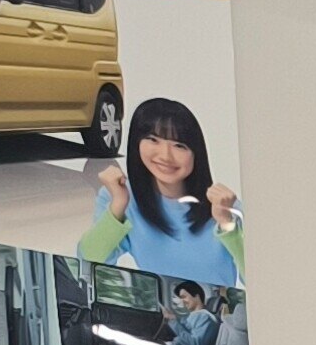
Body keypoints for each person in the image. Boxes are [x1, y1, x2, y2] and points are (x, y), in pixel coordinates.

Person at [76, 99, 242, 288]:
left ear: (196, 153)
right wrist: (118, 205)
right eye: (153, 140)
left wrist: (227, 224)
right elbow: (88, 262)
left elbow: (257, 277)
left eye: (179, 145)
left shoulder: (224, 205)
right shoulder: (119, 197)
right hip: (158, 304)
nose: (165, 156)